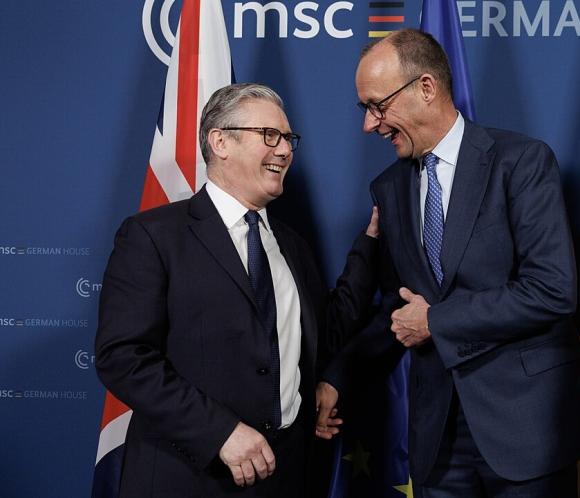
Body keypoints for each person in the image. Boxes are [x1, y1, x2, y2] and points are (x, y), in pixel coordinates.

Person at [314, 29, 580, 498]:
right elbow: (399, 309)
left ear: (426, 88)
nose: (370, 125)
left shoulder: (521, 163)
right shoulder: (388, 188)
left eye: (377, 106)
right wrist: (338, 376)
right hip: (437, 440)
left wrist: (437, 321)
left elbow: (552, 289)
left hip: (524, 431)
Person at [95, 83, 378, 497]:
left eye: (288, 139)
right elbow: (122, 357)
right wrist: (221, 433)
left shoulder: (292, 246)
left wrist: (370, 246)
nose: (284, 150)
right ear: (221, 141)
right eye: (270, 135)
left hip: (285, 477)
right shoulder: (153, 237)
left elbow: (323, 334)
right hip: (187, 477)